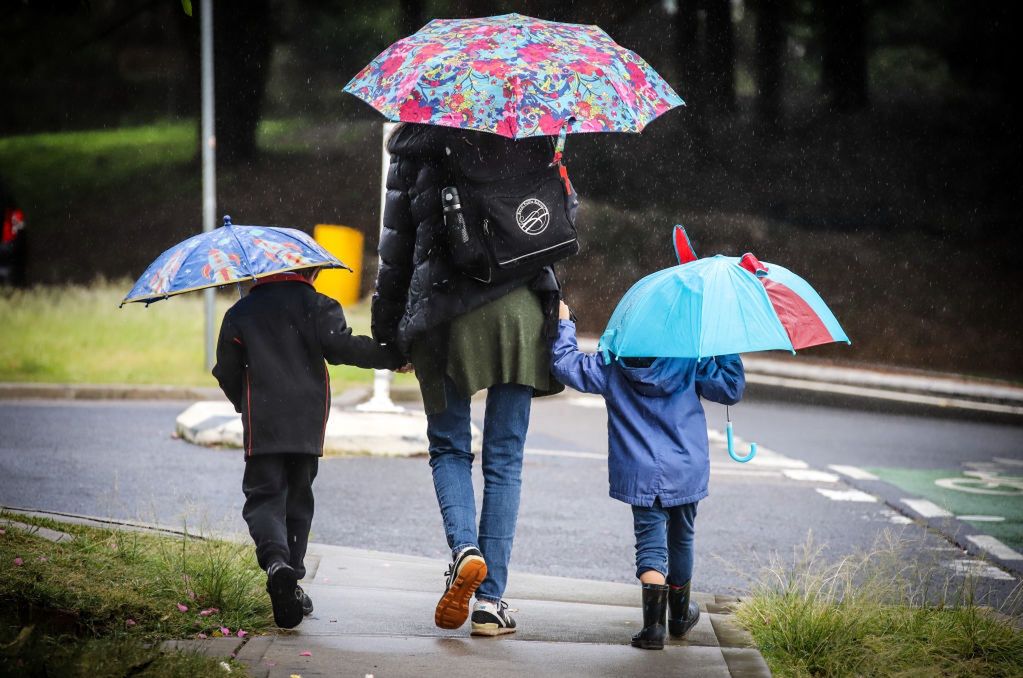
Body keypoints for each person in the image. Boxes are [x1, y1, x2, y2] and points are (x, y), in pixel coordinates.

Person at [372, 122, 566, 636]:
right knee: (505, 459)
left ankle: (465, 550)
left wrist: (389, 334)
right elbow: (555, 224)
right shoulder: (531, 132)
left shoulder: (418, 145)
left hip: (443, 313)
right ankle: (490, 602)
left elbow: (397, 249)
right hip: (519, 309)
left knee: (450, 448)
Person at [213, 267, 402, 629]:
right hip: (307, 422)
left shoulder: (240, 313)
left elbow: (226, 371)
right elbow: (344, 347)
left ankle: (276, 563)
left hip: (264, 424)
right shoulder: (319, 305)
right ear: (310, 270)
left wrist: (245, 402)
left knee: (264, 497)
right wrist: (393, 357)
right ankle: (293, 579)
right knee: (298, 498)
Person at [550, 300, 745, 650]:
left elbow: (565, 364)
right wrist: (722, 343)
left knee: (651, 545)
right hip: (686, 467)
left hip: (639, 470)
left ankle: (653, 629)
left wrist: (565, 325)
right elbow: (730, 388)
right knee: (682, 539)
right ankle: (681, 617)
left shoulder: (611, 367)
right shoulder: (687, 361)